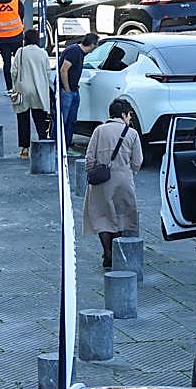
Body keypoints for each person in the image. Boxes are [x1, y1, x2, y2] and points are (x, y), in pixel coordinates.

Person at [82, 99, 142, 269]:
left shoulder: (99, 131)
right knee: (121, 217)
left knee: (102, 217)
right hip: (123, 181)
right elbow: (137, 161)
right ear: (123, 114)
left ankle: (106, 251)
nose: (130, 118)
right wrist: (129, 172)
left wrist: (92, 172)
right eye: (129, 115)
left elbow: (89, 158)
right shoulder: (132, 134)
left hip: (101, 180)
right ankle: (116, 251)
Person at [10, 30, 51, 159]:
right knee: (40, 119)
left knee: (23, 119)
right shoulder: (43, 53)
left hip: (23, 90)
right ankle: (43, 145)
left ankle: (24, 149)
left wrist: (14, 86)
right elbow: (48, 72)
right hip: (39, 90)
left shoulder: (20, 52)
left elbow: (13, 71)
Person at [59, 33, 97, 144]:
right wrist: (67, 89)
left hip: (73, 89)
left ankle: (66, 144)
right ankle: (58, 146)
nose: (94, 49)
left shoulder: (78, 52)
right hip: (68, 91)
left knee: (71, 121)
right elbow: (63, 70)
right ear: (91, 44)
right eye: (95, 46)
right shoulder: (74, 52)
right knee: (63, 120)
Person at [0, 0, 25, 91]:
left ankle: (9, 88)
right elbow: (22, 16)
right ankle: (20, 86)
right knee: (19, 62)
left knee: (7, 63)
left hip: (1, 38)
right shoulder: (16, 2)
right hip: (16, 36)